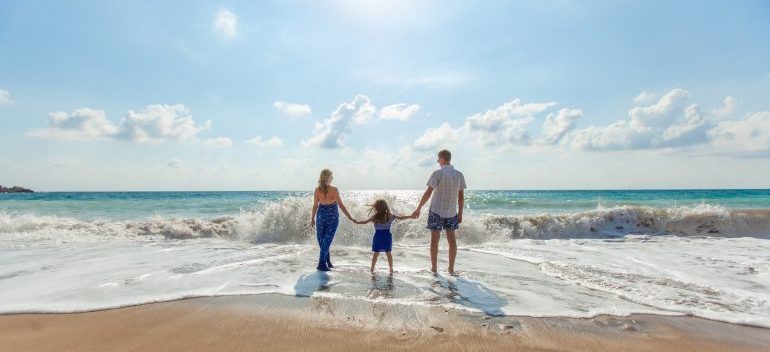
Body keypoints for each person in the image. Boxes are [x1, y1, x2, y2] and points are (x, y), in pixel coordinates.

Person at [412, 150, 466, 274]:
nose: (438, 162)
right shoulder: (459, 175)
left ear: (442, 159)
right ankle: (451, 269)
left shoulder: (438, 173)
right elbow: (461, 197)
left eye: (438, 160)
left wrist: (418, 208)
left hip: (436, 211)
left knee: (434, 241)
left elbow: (428, 192)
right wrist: (461, 213)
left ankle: (434, 269)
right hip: (452, 212)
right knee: (452, 241)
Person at [311, 169, 355, 271]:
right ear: (328, 178)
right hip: (328, 216)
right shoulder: (326, 190)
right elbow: (340, 205)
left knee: (324, 240)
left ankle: (324, 262)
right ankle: (324, 262)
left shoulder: (323, 190)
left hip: (323, 216)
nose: (332, 178)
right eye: (332, 176)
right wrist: (312, 218)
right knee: (324, 241)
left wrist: (312, 218)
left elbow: (315, 206)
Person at [354, 199, 414, 274]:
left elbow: (365, 222)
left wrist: (356, 222)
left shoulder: (374, 217)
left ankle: (372, 269)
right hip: (387, 236)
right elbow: (401, 217)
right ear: (386, 207)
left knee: (376, 254)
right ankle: (391, 269)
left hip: (378, 236)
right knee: (388, 253)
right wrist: (411, 216)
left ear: (376, 208)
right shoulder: (390, 216)